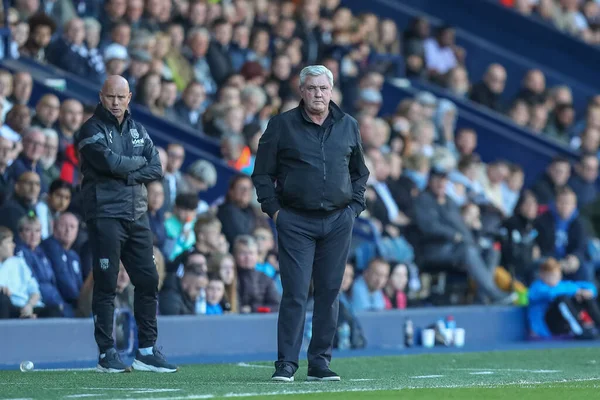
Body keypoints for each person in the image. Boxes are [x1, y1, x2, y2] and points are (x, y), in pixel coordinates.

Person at [252, 65, 369, 382]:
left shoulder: (348, 125)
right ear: (301, 91)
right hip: (295, 222)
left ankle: (319, 362)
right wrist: (275, 212)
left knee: (330, 293)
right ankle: (287, 364)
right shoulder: (281, 125)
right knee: (295, 293)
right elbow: (262, 174)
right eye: (312, 88)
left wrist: (354, 208)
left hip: (338, 221)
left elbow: (361, 173)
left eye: (323, 88)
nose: (318, 94)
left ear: (332, 91)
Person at [74, 75, 177, 373]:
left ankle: (146, 351)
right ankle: (107, 354)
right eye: (110, 97)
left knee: (147, 280)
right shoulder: (91, 129)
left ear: (130, 97)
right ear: (101, 96)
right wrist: (133, 167)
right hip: (105, 215)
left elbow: (157, 166)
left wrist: (126, 171)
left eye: (121, 97)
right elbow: (108, 164)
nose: (116, 103)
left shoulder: (137, 129)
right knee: (105, 285)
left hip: (138, 215)